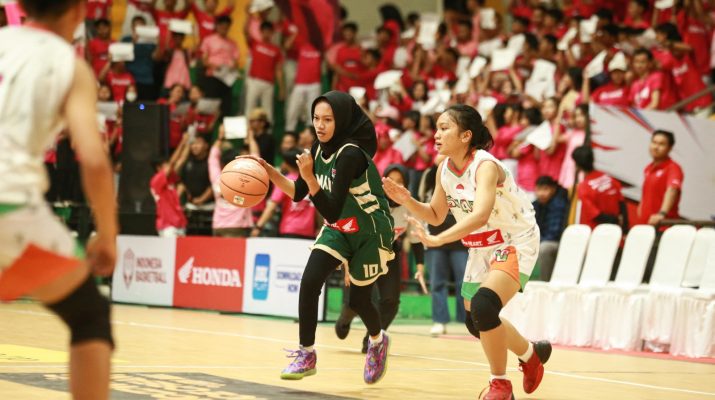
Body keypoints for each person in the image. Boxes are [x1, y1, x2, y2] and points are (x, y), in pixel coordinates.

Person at [383, 105, 551, 399]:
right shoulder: (444, 169)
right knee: (476, 323)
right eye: (436, 128)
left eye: (444, 128)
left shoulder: (485, 166)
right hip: (481, 245)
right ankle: (530, 354)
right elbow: (436, 214)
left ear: (466, 135)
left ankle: (500, 384)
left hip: (514, 239)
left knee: (485, 307)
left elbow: (480, 214)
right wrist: (408, 200)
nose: (436, 135)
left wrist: (437, 240)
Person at [0, 1, 117, 399]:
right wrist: (108, 234)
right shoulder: (69, 66)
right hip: (9, 207)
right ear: (80, 12)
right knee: (89, 317)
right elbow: (94, 159)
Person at [249, 91, 394, 384]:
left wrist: (310, 178)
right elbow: (298, 192)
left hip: (369, 230)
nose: (320, 125)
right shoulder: (317, 149)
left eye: (328, 119)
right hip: (340, 227)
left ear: (341, 121)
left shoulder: (350, 154)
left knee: (359, 300)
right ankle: (306, 353)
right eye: (316, 118)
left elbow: (330, 209)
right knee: (310, 281)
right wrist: (268, 170)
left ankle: (378, 340)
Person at [334, 164, 426, 353]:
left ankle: (373, 340)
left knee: (391, 301)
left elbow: (416, 240)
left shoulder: (410, 206)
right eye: (391, 180)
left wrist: (420, 266)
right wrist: (346, 263)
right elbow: (349, 231)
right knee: (355, 301)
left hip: (389, 253)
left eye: (400, 182)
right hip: (362, 251)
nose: (395, 185)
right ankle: (345, 317)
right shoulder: (369, 200)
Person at [417, 155, 468, 336]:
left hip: (461, 238)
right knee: (437, 282)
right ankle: (439, 320)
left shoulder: (465, 173)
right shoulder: (430, 174)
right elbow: (423, 198)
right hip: (435, 238)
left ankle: (467, 321)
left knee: (465, 282)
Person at [252, 148, 318, 239]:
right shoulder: (312, 181)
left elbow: (271, 207)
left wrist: (258, 227)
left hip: (289, 229)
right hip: (309, 231)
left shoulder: (284, 181)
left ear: (286, 164)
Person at [208, 126, 254, 237]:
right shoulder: (246, 180)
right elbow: (256, 157)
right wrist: (251, 138)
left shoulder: (217, 178)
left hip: (218, 226)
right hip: (237, 227)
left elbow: (212, 158)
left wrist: (220, 138)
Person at [572, 146, 628, 230]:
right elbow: (622, 203)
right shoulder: (609, 178)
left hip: (598, 232)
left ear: (577, 165)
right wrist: (623, 226)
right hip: (616, 231)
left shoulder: (583, 188)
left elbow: (596, 215)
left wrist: (615, 221)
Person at [639, 130, 683, 226]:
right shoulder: (648, 168)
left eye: (661, 144)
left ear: (670, 148)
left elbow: (672, 190)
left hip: (663, 226)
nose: (656, 147)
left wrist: (662, 213)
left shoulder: (673, 168)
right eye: (654, 142)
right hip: (645, 225)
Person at [244, 21, 285, 122]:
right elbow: (245, 32)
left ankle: (268, 130)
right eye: (265, 31)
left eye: (269, 32)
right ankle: (247, 130)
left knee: (267, 111)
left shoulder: (276, 50)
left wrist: (281, 88)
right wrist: (249, 17)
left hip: (268, 84)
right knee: (249, 108)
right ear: (261, 32)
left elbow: (278, 70)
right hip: (253, 81)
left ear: (272, 33)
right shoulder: (254, 43)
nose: (267, 34)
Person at [200, 15, 239, 118]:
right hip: (212, 77)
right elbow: (204, 61)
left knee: (226, 108)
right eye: (222, 26)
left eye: (226, 27)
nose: (224, 29)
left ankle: (223, 127)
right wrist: (215, 66)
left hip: (227, 79)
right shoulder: (208, 40)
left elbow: (236, 62)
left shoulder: (233, 43)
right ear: (217, 26)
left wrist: (232, 67)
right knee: (210, 107)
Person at [150, 134, 189, 237]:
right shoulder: (156, 180)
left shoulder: (170, 179)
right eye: (165, 164)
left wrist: (188, 143)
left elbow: (181, 160)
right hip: (167, 225)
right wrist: (182, 142)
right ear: (158, 167)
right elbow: (173, 162)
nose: (169, 166)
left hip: (180, 223)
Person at [532, 176, 568, 282]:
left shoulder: (558, 204)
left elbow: (554, 233)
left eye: (545, 189)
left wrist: (536, 242)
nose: (541, 193)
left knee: (544, 248)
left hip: (556, 241)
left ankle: (544, 283)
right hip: (541, 240)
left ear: (553, 189)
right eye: (538, 189)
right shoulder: (535, 205)